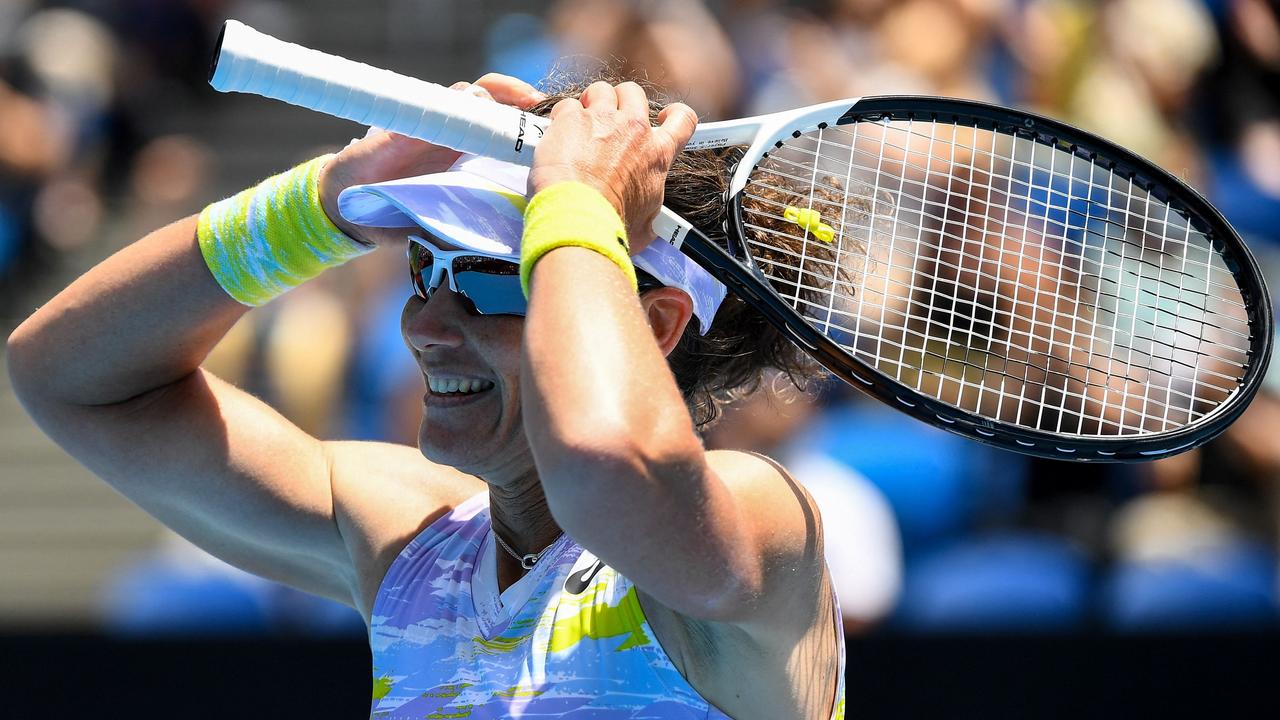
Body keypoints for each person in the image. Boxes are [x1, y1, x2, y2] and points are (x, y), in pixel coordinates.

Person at [7, 73, 844, 718]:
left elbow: (605, 465)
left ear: (656, 324)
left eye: (486, 279)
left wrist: (580, 206)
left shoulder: (756, 518)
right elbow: (71, 377)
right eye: (423, 270)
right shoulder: (417, 542)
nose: (426, 325)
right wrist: (318, 207)